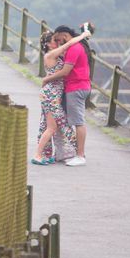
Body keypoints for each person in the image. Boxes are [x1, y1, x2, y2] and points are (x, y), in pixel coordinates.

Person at [31, 28, 91, 165]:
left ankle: (52, 154)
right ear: (47, 44)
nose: (57, 42)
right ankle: (38, 155)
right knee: (53, 127)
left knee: (51, 125)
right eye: (54, 40)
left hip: (53, 92)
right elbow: (69, 44)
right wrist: (83, 35)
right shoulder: (51, 55)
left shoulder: (55, 55)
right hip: (51, 93)